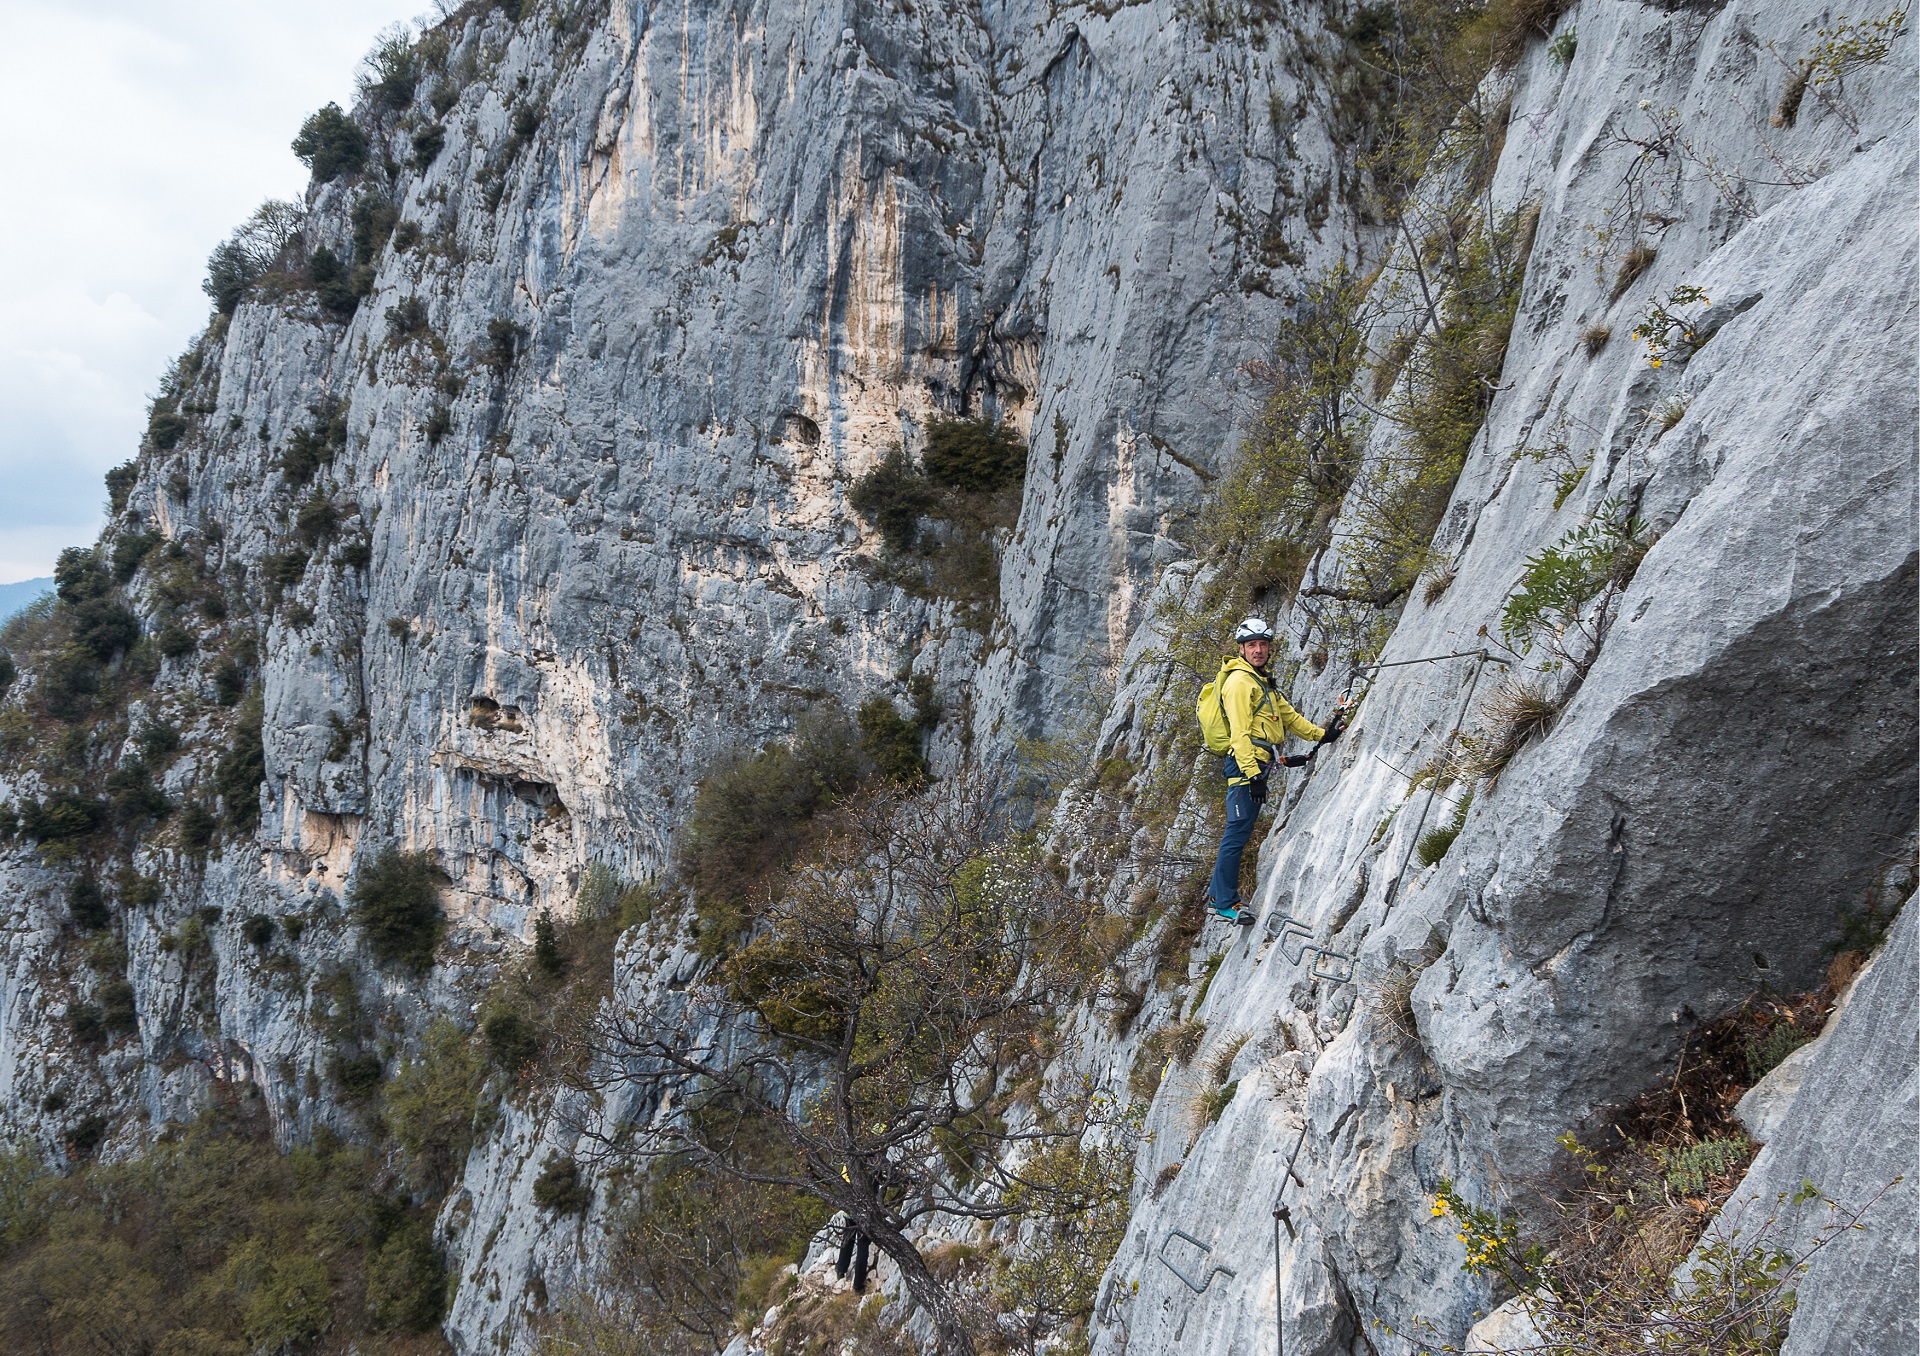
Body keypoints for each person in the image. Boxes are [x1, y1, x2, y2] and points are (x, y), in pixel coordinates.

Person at [1205, 616, 1342, 925]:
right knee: (1236, 834)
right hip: (1245, 766)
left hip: (1256, 765)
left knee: (1238, 831)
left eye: (1263, 645)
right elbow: (1239, 733)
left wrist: (1323, 735)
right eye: (1252, 645)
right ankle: (1225, 903)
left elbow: (1289, 718)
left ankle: (1218, 895)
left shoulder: (1260, 680)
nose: (1258, 650)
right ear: (1241, 649)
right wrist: (1252, 775)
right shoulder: (1240, 683)